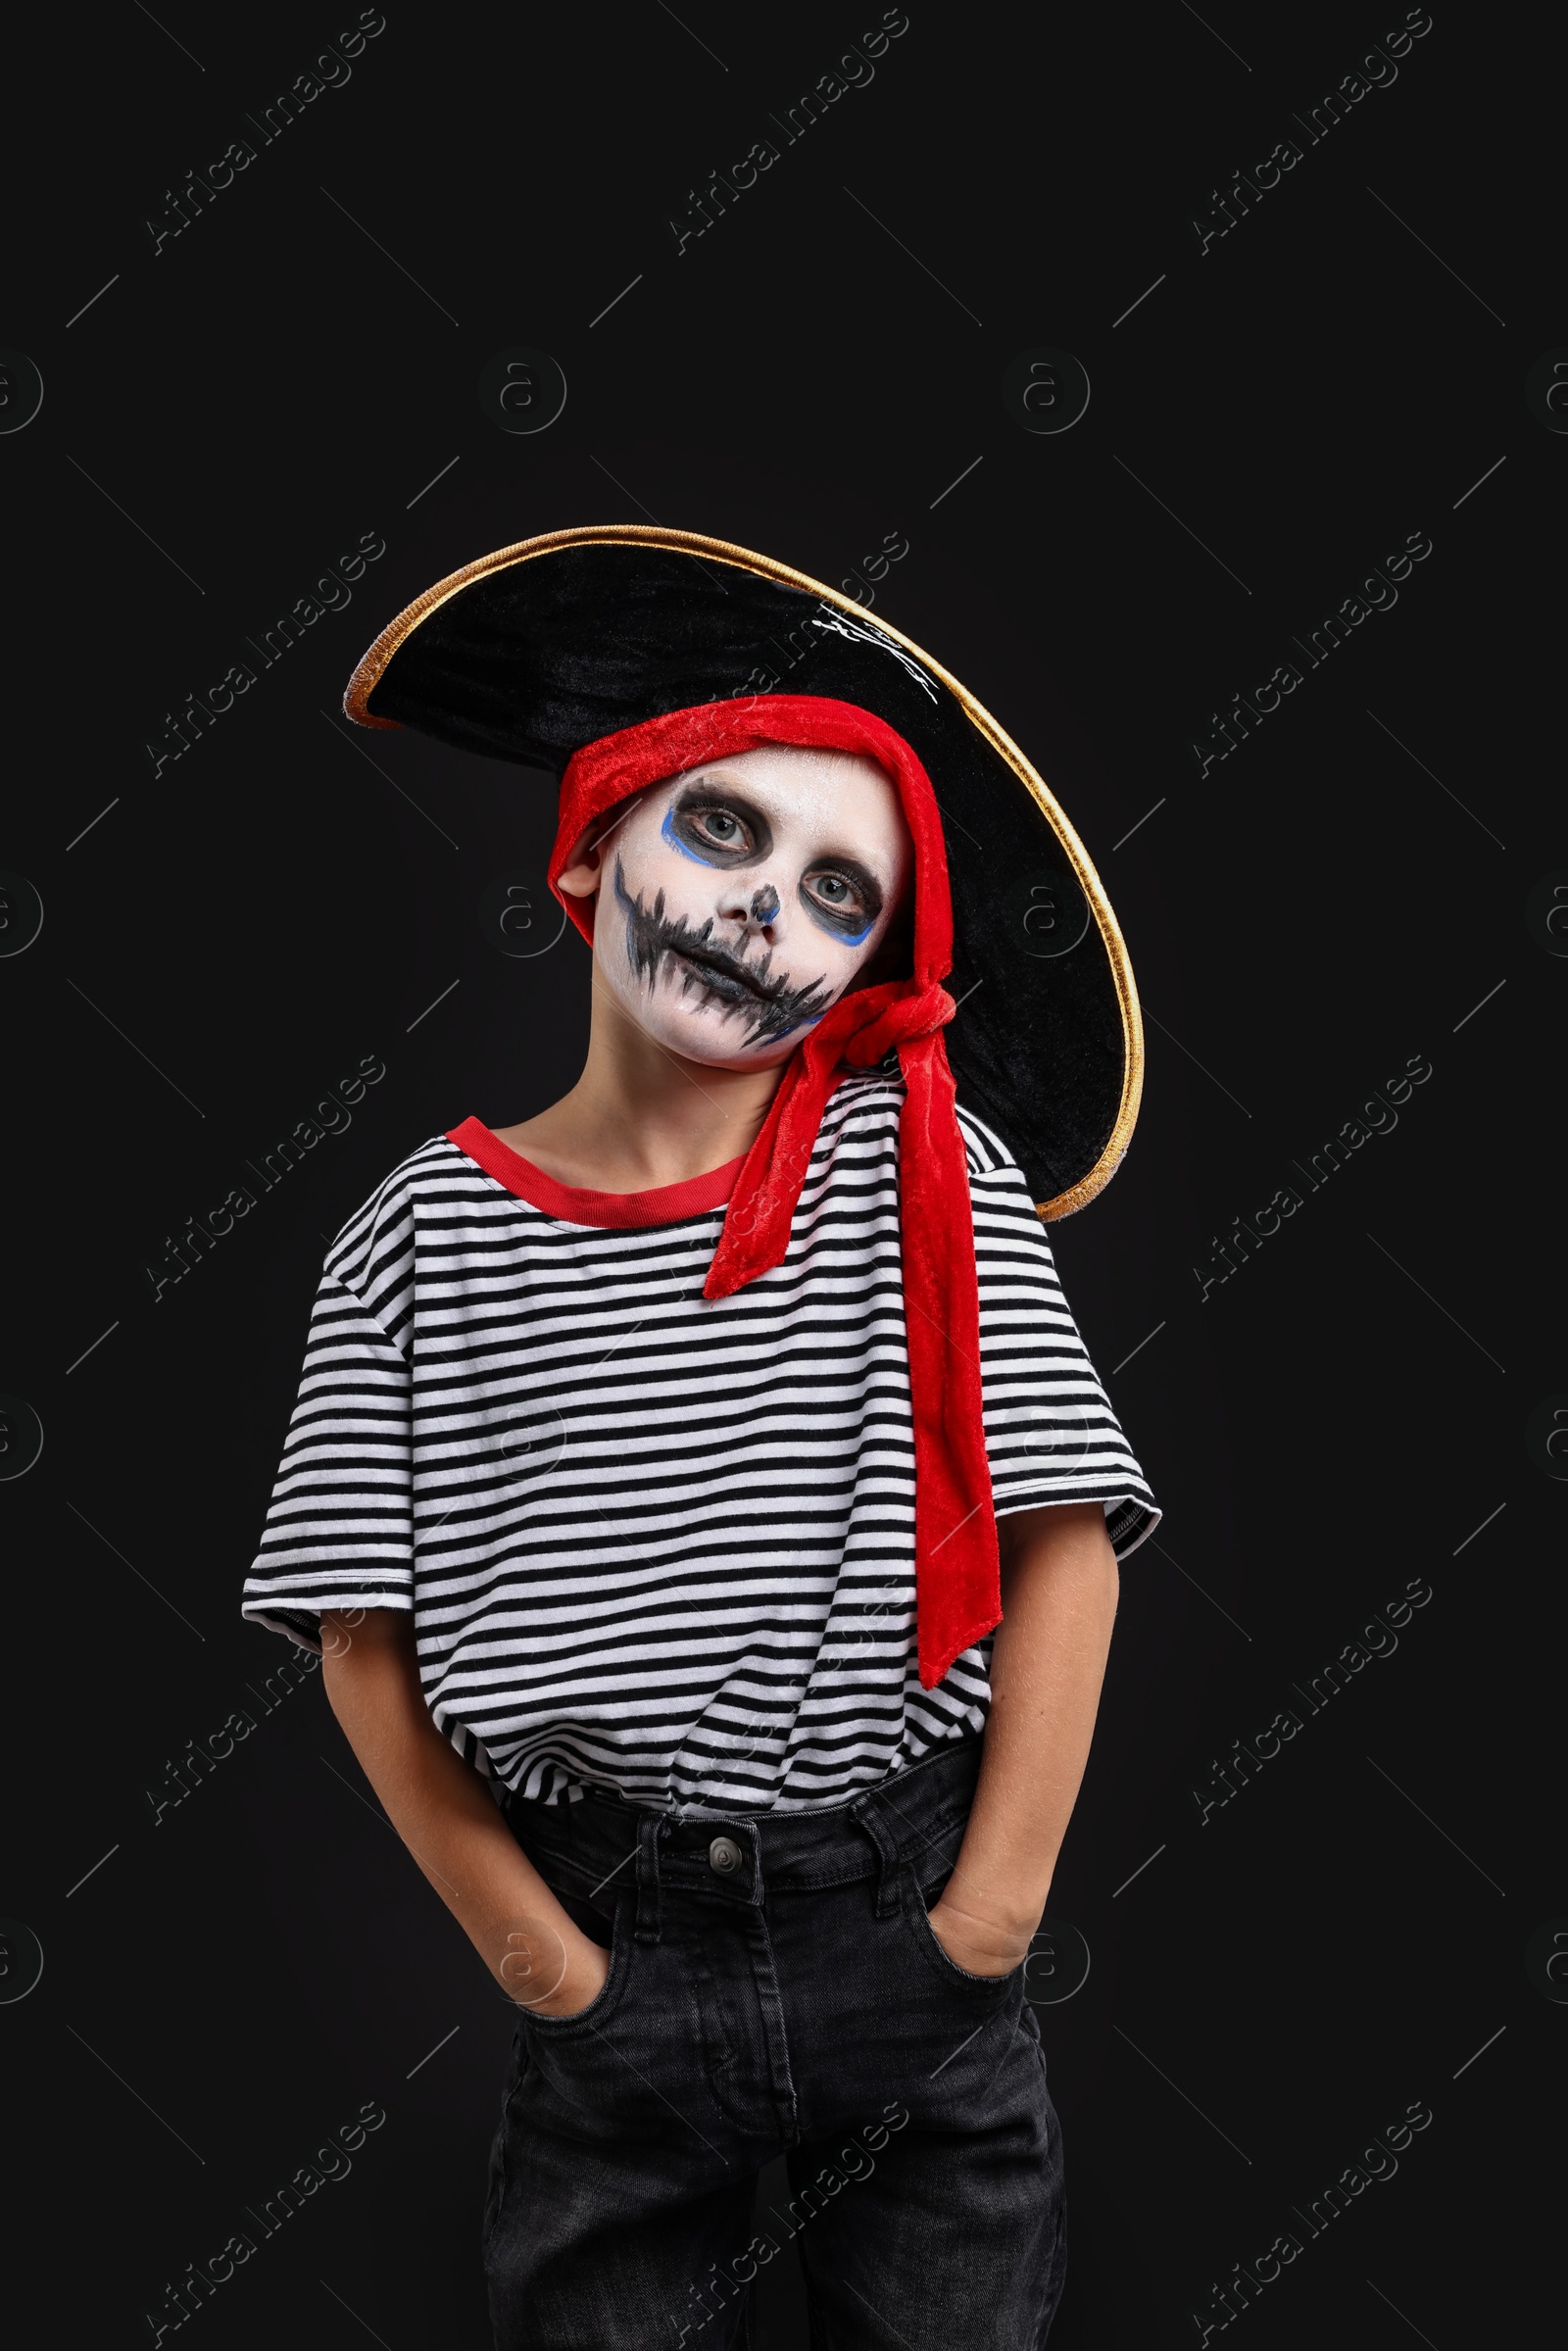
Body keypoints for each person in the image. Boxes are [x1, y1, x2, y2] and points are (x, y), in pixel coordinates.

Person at [242, 526, 1159, 2349]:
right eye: (727, 832)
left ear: (872, 967)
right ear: (593, 846)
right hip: (615, 1945)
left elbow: (1066, 1545)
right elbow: (362, 1642)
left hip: (900, 1903)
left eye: (841, 895)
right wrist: (553, 1974)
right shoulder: (422, 1238)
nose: (764, 911)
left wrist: (985, 1926)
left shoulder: (927, 1180)